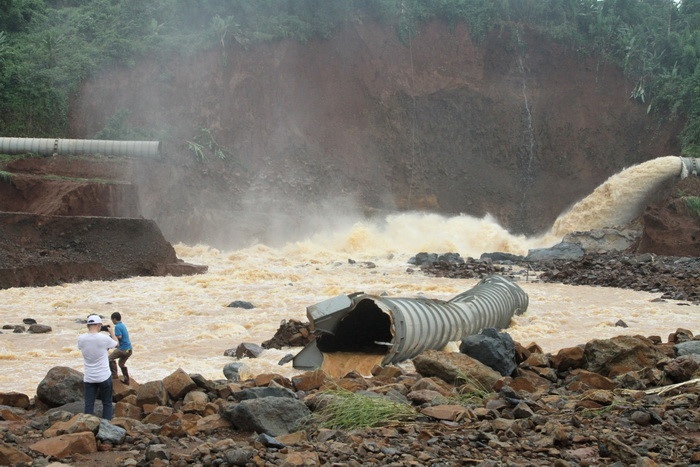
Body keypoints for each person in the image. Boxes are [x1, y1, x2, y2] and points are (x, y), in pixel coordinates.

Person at [77, 314, 118, 420]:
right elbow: (116, 344)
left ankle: (88, 426)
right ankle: (107, 425)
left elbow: (82, 347)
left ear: (87, 326)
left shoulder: (81, 339)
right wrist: (112, 332)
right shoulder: (103, 338)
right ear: (99, 325)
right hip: (104, 376)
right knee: (107, 403)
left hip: (89, 377)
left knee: (89, 404)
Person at [108, 312, 132, 385]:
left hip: (123, 349)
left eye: (112, 320)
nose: (112, 321)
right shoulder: (123, 325)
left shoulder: (117, 326)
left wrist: (111, 335)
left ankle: (114, 375)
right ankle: (126, 380)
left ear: (114, 319)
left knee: (110, 358)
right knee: (121, 364)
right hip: (129, 350)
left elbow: (119, 336)